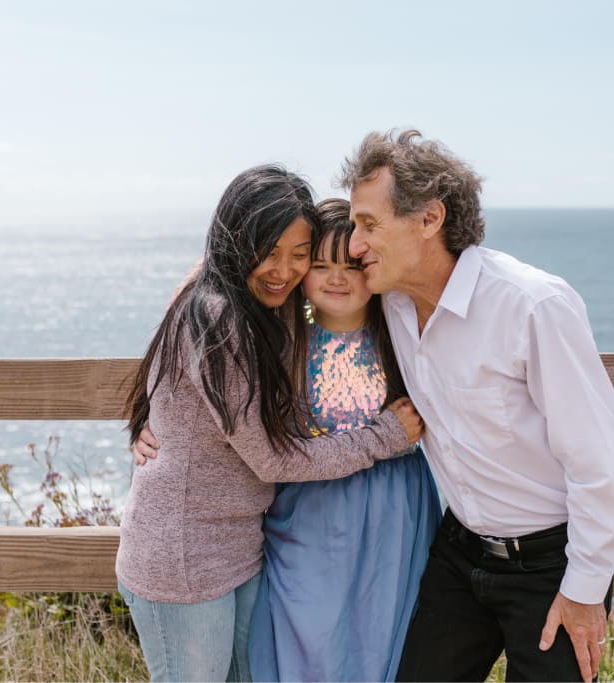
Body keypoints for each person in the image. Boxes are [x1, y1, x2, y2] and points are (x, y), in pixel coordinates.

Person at [339, 130, 614, 683]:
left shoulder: (532, 305)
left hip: (551, 564)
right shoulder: (391, 300)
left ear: (429, 219)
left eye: (369, 225)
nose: (355, 246)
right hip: (459, 548)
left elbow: (597, 464)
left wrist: (586, 590)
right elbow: (281, 277)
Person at [116, 165, 424, 683]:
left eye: (298, 254)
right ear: (237, 245)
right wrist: (386, 436)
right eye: (269, 252)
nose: (284, 270)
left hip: (239, 549)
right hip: (184, 560)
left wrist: (153, 414)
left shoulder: (263, 310)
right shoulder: (218, 317)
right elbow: (272, 457)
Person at [247, 199, 441, 682]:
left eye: (351, 266)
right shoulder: (284, 341)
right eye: (320, 265)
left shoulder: (402, 335)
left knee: (383, 636)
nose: (336, 278)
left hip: (393, 516)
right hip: (310, 517)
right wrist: (150, 424)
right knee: (310, 635)